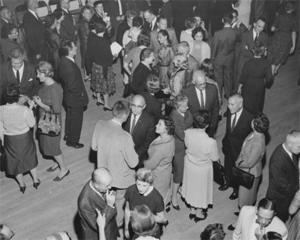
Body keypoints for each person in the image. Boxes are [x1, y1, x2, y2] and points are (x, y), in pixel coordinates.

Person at [91, 100, 139, 228]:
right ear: (126, 116)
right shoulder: (125, 136)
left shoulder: (99, 124)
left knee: (105, 197)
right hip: (120, 178)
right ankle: (116, 224)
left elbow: (94, 147)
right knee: (119, 200)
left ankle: (103, 217)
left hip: (103, 172)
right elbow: (133, 163)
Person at [33, 61, 70, 181]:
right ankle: (56, 162)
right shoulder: (45, 85)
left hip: (51, 122)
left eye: (39, 73)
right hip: (44, 120)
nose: (37, 76)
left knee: (53, 147)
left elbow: (56, 110)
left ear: (46, 73)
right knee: (48, 146)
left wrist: (40, 104)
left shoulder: (54, 89)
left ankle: (64, 169)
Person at [181, 110, 220, 222]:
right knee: (201, 191)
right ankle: (199, 213)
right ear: (207, 125)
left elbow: (187, 145)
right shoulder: (210, 142)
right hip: (203, 169)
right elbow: (214, 158)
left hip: (189, 165)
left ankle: (192, 210)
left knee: (191, 188)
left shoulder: (187, 132)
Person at [0, 85, 39, 193]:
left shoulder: (0, 110)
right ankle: (35, 181)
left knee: (14, 163)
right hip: (24, 138)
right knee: (30, 159)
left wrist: (3, 141)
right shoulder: (24, 110)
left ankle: (22, 185)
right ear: (17, 97)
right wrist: (31, 109)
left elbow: (0, 128)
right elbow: (31, 124)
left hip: (10, 140)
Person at [220, 94, 253, 200]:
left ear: (240, 104)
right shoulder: (231, 111)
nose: (228, 107)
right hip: (228, 147)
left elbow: (251, 139)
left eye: (232, 104)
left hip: (239, 151)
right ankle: (228, 182)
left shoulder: (249, 118)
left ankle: (236, 189)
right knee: (228, 167)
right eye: (228, 104)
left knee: (237, 171)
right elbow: (229, 130)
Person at [58, 40, 89, 149]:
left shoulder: (63, 60)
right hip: (75, 98)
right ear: (70, 50)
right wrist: (81, 96)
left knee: (70, 116)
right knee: (76, 120)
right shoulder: (70, 67)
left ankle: (67, 134)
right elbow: (73, 86)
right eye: (74, 46)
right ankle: (73, 141)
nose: (76, 47)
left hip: (67, 97)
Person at [235, 113, 269, 209]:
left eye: (253, 121)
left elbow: (249, 163)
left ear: (255, 125)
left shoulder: (257, 143)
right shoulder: (256, 134)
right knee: (246, 195)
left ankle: (244, 213)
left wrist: (238, 164)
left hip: (250, 173)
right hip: (248, 170)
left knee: (245, 197)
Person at [266, 130, 300, 222]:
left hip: (288, 192)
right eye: (299, 147)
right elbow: (281, 185)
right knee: (279, 219)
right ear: (290, 144)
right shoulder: (277, 160)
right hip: (279, 199)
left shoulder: (291, 150)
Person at [124, 168, 166, 239]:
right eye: (138, 184)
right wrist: (126, 228)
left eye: (144, 185)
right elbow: (127, 210)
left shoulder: (157, 198)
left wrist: (147, 217)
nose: (140, 188)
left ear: (150, 183)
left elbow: (162, 219)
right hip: (135, 227)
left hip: (150, 231)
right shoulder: (130, 191)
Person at [78, 168, 118, 240]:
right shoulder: (84, 202)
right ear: (96, 186)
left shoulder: (98, 183)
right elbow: (96, 225)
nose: (110, 187)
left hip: (110, 229)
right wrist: (109, 206)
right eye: (107, 185)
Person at [144, 116, 175, 205]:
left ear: (167, 129)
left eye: (160, 124)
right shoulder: (170, 138)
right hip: (165, 172)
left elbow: (149, 165)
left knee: (154, 200)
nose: (156, 125)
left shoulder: (161, 148)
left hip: (158, 176)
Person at [169, 95, 193, 209]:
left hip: (186, 147)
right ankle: (173, 196)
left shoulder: (186, 112)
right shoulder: (173, 116)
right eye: (184, 106)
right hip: (178, 148)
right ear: (177, 107)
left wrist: (186, 128)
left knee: (183, 170)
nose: (187, 107)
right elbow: (182, 135)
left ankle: (179, 188)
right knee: (179, 173)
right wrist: (188, 129)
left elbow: (191, 120)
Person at [86, 21, 115, 110]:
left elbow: (89, 54)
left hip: (95, 65)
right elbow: (109, 58)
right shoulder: (105, 42)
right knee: (105, 85)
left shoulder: (92, 39)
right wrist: (115, 56)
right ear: (104, 30)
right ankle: (106, 104)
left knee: (97, 83)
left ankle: (99, 99)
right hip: (104, 67)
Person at [238, 44, 273, 115]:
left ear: (253, 52)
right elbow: (269, 79)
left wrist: (239, 87)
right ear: (262, 52)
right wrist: (266, 85)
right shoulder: (266, 63)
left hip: (248, 84)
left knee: (247, 101)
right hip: (259, 85)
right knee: (258, 102)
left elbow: (243, 76)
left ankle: (246, 115)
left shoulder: (248, 63)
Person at [182, 70, 220, 137]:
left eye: (204, 83)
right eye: (200, 84)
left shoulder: (213, 89)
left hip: (209, 126)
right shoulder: (186, 92)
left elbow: (215, 108)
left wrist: (213, 125)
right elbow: (186, 112)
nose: (203, 86)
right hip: (194, 128)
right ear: (193, 82)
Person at [123, 95, 156, 165]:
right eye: (133, 105)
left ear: (144, 106)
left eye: (139, 106)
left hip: (139, 154)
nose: (135, 109)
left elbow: (148, 142)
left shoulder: (149, 121)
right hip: (123, 150)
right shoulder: (125, 114)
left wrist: (136, 155)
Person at [211, 13, 238, 99]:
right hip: (230, 58)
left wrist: (212, 59)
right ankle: (228, 94)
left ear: (222, 20)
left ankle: (219, 96)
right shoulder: (235, 32)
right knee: (228, 77)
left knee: (218, 79)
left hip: (219, 59)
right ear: (232, 21)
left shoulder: (217, 33)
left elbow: (214, 48)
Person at [268, 2, 297, 75]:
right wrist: (293, 45)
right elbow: (294, 32)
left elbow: (272, 29)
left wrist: (277, 29)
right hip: (286, 40)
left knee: (274, 55)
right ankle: (276, 70)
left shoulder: (279, 16)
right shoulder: (293, 19)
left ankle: (272, 71)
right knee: (282, 56)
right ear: (292, 9)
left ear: (285, 8)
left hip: (277, 38)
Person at [236, 17, 268, 82]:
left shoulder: (265, 36)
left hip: (257, 63)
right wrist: (256, 55)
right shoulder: (245, 35)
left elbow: (264, 51)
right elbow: (243, 51)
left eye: (263, 27)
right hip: (245, 60)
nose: (261, 29)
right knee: (240, 76)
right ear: (254, 24)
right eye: (259, 26)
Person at [44, 10, 64, 76]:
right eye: (55, 20)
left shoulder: (46, 31)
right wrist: (58, 31)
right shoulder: (54, 35)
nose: (57, 21)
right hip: (56, 56)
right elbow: (60, 45)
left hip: (49, 55)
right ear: (53, 22)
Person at [78, 5, 93, 81]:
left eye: (90, 12)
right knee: (90, 64)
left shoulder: (85, 21)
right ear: (82, 14)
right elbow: (89, 35)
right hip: (87, 47)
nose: (89, 14)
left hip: (86, 46)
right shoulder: (84, 23)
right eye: (86, 13)